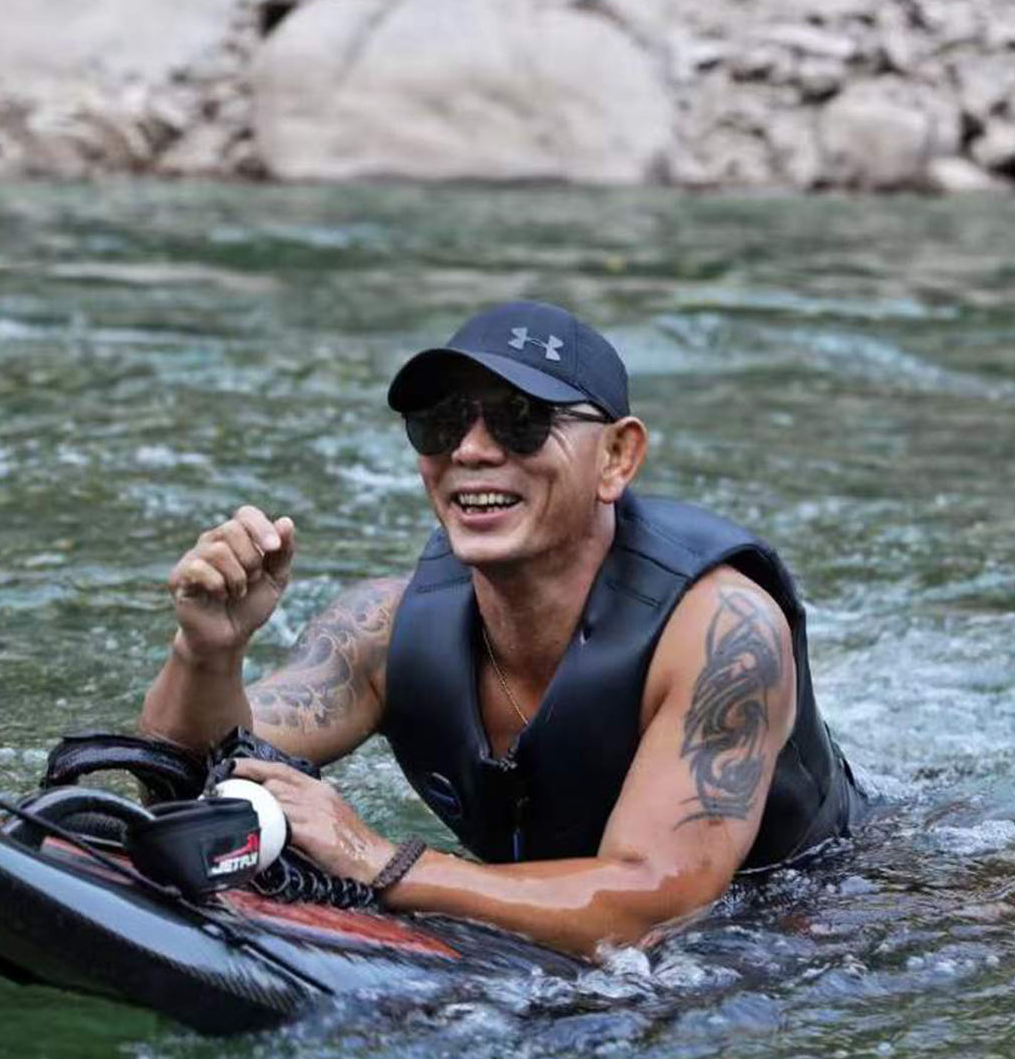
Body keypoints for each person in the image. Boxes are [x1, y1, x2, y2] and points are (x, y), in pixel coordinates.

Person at [138, 301, 864, 960]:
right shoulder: (382, 629)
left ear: (617, 456)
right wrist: (206, 651)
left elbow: (658, 901)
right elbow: (190, 765)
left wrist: (378, 862)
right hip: (550, 926)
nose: (472, 450)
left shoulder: (721, 632)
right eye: (441, 421)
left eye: (521, 418)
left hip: (806, 928)